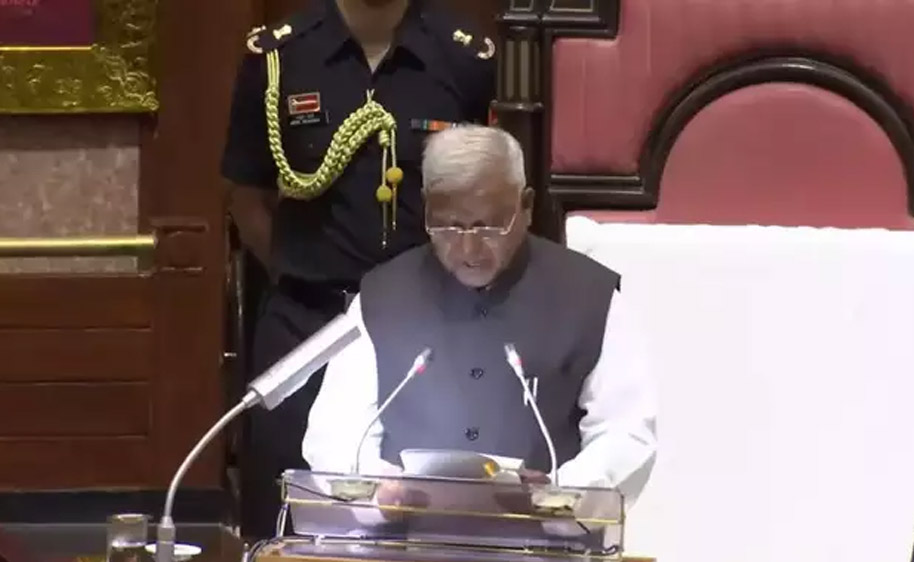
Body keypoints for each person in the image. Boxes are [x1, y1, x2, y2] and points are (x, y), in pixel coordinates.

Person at [219, 0, 496, 537]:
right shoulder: (277, 56)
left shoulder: (465, 57)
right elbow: (246, 196)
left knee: (418, 510)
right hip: (308, 322)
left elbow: (488, 192)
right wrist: (295, 268)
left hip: (425, 327)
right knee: (283, 510)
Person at [301, 125, 657, 511]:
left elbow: (627, 432)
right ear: (426, 208)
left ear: (526, 206)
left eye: (488, 226)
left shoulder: (590, 296)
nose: (469, 248)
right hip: (404, 535)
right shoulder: (382, 297)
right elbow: (336, 432)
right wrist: (382, 488)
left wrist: (557, 492)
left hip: (545, 536)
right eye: (448, 226)